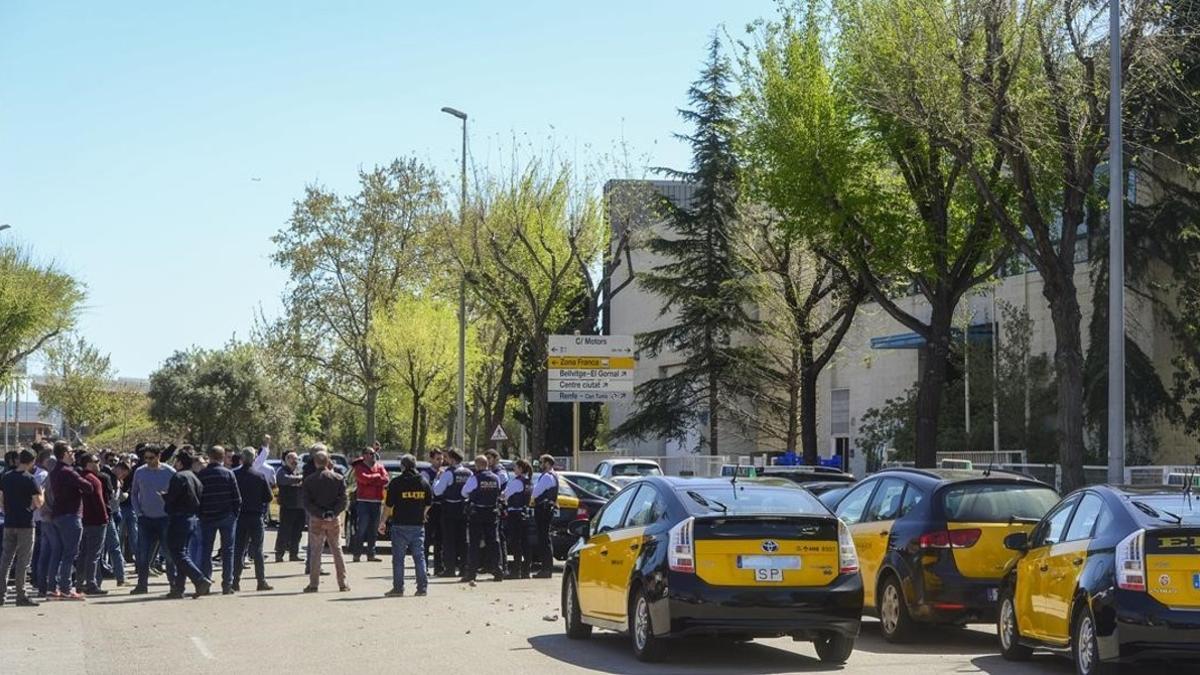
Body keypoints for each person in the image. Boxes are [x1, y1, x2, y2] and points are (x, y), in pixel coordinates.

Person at [162, 448, 212, 599]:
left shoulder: (179, 477)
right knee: (182, 553)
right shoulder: (195, 478)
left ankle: (200, 579)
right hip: (192, 518)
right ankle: (179, 587)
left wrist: (165, 499)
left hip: (179, 517)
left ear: (180, 462)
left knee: (177, 552)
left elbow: (172, 499)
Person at [47, 442, 94, 600]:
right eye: (71, 451)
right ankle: (66, 588)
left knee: (57, 552)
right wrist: (80, 483)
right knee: (70, 554)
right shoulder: (68, 472)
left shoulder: (55, 471)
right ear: (65, 453)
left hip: (58, 515)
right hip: (71, 515)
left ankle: (52, 587)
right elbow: (88, 487)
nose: (73, 454)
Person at [379, 453, 431, 597]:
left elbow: (389, 506)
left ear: (402, 466)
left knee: (398, 558)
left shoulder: (396, 483)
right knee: (419, 557)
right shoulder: (423, 482)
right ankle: (422, 588)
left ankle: (398, 588)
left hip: (400, 525)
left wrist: (382, 521)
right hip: (417, 525)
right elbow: (429, 503)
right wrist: (422, 514)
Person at [129, 444, 176, 595]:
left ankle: (174, 585)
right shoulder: (140, 472)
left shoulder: (170, 472)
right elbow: (134, 494)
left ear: (159, 456)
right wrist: (138, 513)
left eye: (151, 458)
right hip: (145, 520)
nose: (148, 461)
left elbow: (177, 494)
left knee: (169, 554)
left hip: (165, 520)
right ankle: (142, 585)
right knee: (143, 554)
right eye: (146, 458)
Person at [301, 446, 349, 593]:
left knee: (316, 551)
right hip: (333, 519)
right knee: (337, 550)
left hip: (316, 519)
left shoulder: (309, 480)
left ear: (315, 463)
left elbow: (307, 502)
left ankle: (314, 584)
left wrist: (320, 513)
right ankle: (343, 583)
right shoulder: (338, 478)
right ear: (328, 462)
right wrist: (333, 513)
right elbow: (344, 500)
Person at [0, 449, 43, 606]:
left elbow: (1, 500)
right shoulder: (30, 479)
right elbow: (38, 502)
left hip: (9, 522)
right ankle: (21, 595)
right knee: (23, 561)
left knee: (6, 559)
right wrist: (41, 496)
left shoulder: (6, 477)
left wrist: (7, 511)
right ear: (32, 461)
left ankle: (1, 594)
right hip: (25, 523)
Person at [197, 446, 242, 595]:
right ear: (223, 457)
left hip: (207, 517)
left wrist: (201, 513)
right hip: (227, 517)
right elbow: (237, 498)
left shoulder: (202, 474)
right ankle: (227, 585)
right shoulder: (228, 474)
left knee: (206, 551)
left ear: (209, 456)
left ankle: (205, 582)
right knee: (228, 551)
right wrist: (234, 515)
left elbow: (198, 497)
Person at [233, 447, 273, 592]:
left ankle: (234, 581)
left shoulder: (234, 475)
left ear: (242, 459)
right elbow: (268, 497)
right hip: (255, 516)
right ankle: (261, 581)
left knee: (238, 550)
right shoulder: (260, 476)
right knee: (258, 550)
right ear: (254, 458)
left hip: (240, 516)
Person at [460, 455, 503, 583]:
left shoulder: (475, 478)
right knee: (494, 542)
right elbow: (498, 492)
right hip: (492, 512)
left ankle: (471, 573)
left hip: (477, 513)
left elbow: (464, 492)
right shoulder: (496, 478)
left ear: (478, 465)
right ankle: (498, 570)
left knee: (474, 543)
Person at [432, 449, 470, 578]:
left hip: (449, 509)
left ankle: (450, 569)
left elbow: (437, 491)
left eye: (447, 458)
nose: (445, 460)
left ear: (452, 459)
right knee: (463, 540)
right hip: (464, 509)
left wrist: (437, 478)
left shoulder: (448, 473)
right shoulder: (468, 472)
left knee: (449, 540)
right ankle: (464, 568)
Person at [76, 452, 110, 596]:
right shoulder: (93, 479)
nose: (99, 463)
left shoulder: (80, 478)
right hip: (96, 521)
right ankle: (91, 583)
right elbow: (99, 502)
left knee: (83, 553)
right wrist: (105, 518)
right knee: (93, 554)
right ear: (89, 463)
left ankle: (80, 583)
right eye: (96, 461)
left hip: (83, 521)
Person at [349, 446, 388, 563]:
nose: (373, 456)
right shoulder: (359, 467)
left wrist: (373, 480)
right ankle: (357, 554)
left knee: (373, 529)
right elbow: (363, 479)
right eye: (370, 454)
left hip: (376, 502)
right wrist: (376, 477)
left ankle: (371, 554)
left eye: (374, 454)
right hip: (363, 502)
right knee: (362, 528)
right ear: (364, 455)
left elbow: (386, 479)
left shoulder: (379, 466)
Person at [502, 458, 534, 579]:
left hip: (515, 514)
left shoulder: (517, 482)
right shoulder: (529, 482)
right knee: (525, 543)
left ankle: (516, 571)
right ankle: (526, 570)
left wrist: (502, 497)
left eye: (515, 467)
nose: (514, 469)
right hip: (525, 513)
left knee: (516, 543)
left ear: (520, 469)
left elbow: (505, 495)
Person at [531, 454, 559, 579]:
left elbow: (536, 492)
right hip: (547, 509)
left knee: (543, 539)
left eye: (541, 462)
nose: (540, 465)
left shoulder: (547, 477)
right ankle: (546, 568)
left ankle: (546, 569)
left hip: (543, 510)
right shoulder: (554, 475)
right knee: (545, 539)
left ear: (547, 463)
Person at [273, 451, 305, 563]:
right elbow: (284, 479)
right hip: (288, 506)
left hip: (300, 507)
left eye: (296, 459)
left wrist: (298, 479)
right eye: (292, 458)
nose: (294, 461)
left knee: (298, 532)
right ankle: (279, 554)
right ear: (286, 460)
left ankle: (294, 554)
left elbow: (305, 481)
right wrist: (299, 479)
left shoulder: (299, 471)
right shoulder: (281, 471)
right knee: (284, 531)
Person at [421, 448, 443, 575]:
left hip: (441, 509)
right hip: (429, 509)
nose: (440, 462)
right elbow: (427, 490)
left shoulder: (444, 472)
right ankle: (424, 567)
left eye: (441, 459)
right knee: (427, 539)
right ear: (431, 459)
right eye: (437, 459)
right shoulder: (426, 473)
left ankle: (438, 567)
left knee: (439, 539)